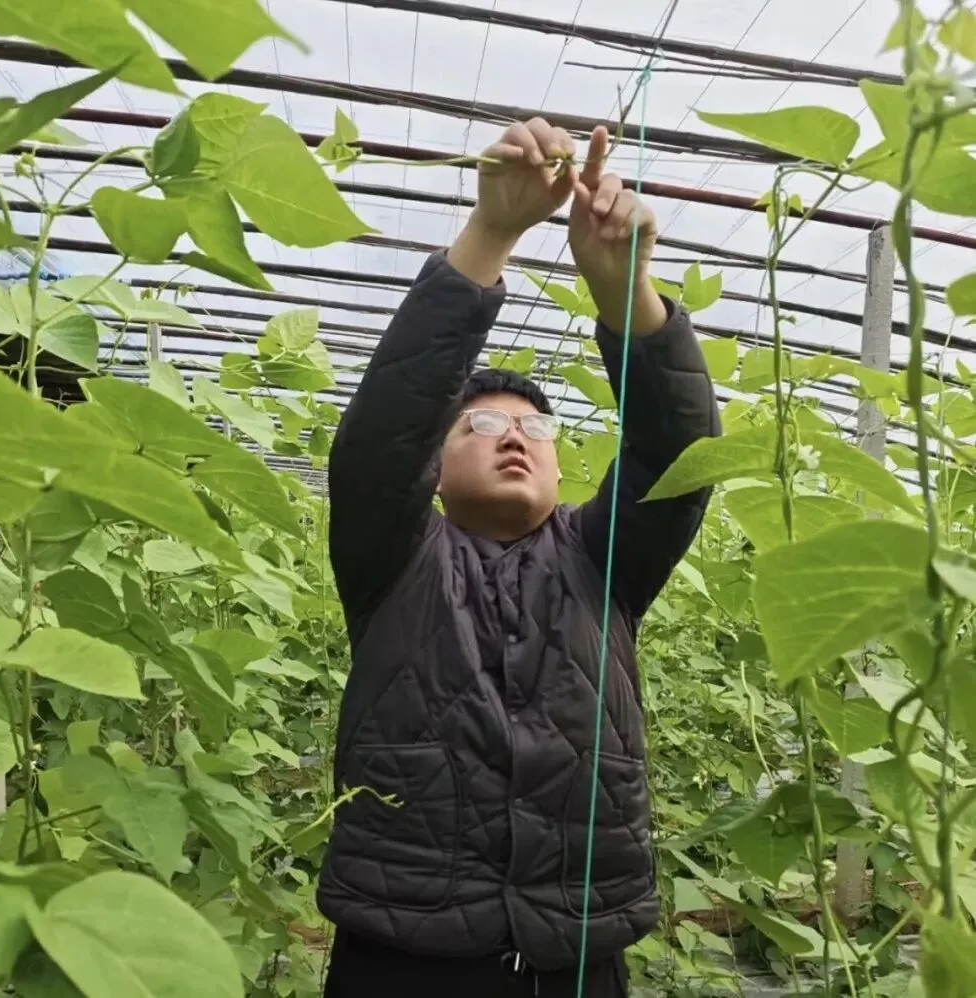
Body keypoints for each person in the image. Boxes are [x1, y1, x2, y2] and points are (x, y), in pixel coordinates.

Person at [317, 117, 721, 998]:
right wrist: (491, 234)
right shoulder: (396, 557)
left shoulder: (602, 560)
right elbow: (381, 441)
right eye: (484, 422)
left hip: (574, 953)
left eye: (535, 428)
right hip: (403, 952)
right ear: (435, 461)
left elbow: (679, 454)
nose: (514, 436)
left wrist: (625, 292)